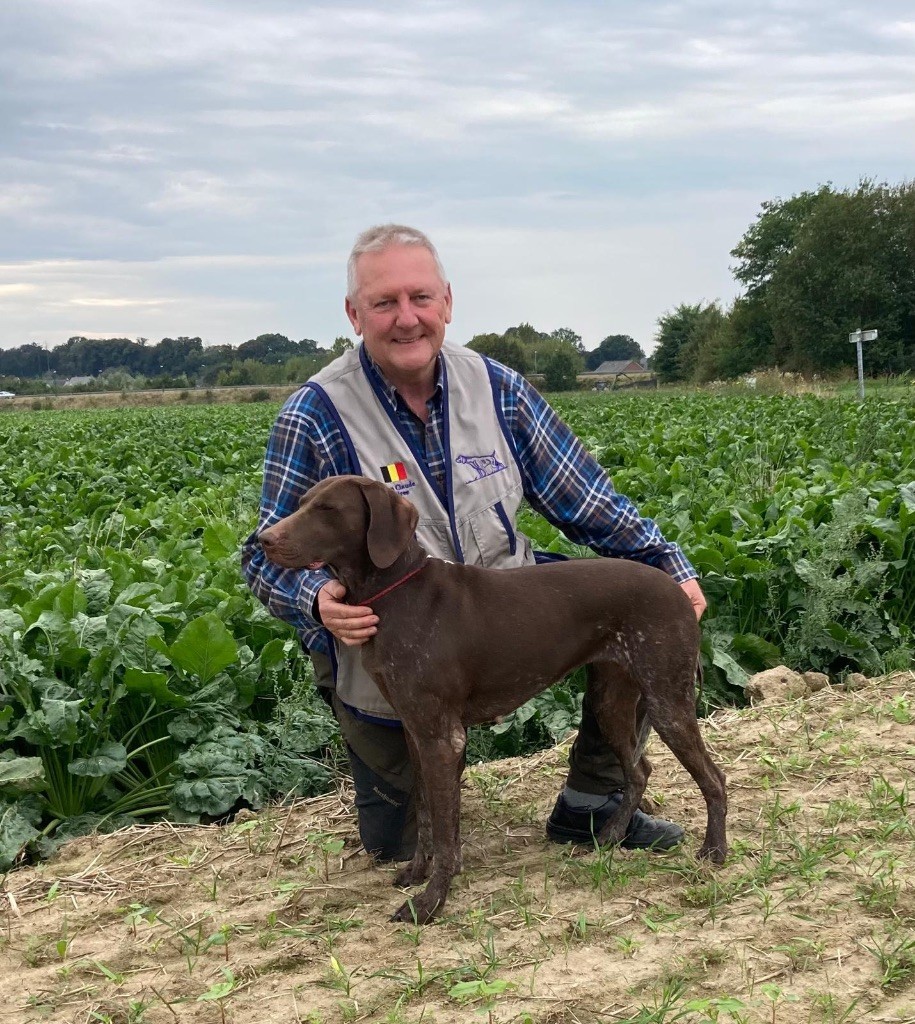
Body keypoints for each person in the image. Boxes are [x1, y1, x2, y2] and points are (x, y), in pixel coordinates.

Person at [242, 224, 706, 863]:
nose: (408, 319)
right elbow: (263, 552)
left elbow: (589, 500)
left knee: (620, 609)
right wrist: (318, 597)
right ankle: (404, 808)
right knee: (398, 849)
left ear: (447, 303)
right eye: (385, 303)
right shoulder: (316, 414)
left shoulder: (498, 389)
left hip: (503, 623)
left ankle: (595, 804)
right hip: (387, 646)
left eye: (421, 298)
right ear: (354, 314)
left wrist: (667, 569)